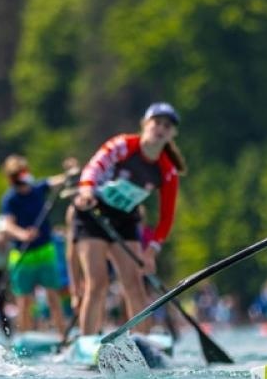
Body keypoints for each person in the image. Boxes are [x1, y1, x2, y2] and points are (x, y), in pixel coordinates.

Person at [70, 102, 185, 337]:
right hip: (94, 213)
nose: (161, 128)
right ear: (145, 124)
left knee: (134, 283)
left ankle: (142, 343)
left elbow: (166, 218)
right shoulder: (123, 145)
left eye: (167, 125)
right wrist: (87, 190)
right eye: (157, 122)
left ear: (172, 133)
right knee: (98, 282)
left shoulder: (167, 171)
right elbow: (94, 167)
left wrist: (151, 252)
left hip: (126, 220)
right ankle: (88, 341)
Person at [0, 154, 76, 333]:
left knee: (53, 296)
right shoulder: (10, 199)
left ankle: (62, 335)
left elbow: (62, 180)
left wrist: (71, 170)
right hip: (23, 255)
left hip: (45, 250)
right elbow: (7, 224)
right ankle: (25, 338)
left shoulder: (38, 188)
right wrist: (23, 234)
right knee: (24, 301)